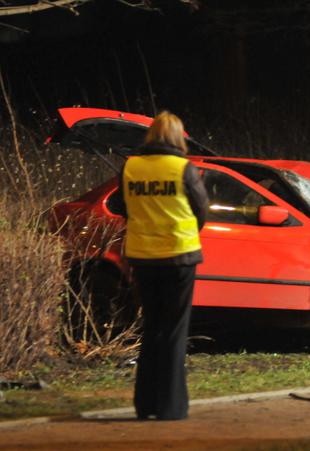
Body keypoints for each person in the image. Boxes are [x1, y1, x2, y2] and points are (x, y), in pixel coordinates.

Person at [116, 111, 209, 421]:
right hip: (179, 257)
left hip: (142, 257)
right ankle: (171, 406)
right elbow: (201, 210)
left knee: (152, 328)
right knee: (174, 331)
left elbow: (120, 205)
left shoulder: (131, 166)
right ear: (177, 137)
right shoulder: (183, 168)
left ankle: (145, 404)